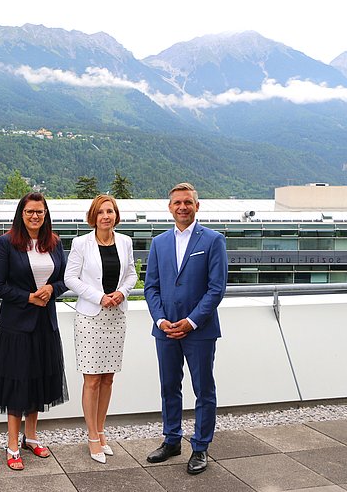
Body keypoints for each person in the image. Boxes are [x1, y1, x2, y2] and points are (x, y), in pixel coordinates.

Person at [143, 182, 227, 475]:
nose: (182, 207)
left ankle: (200, 447)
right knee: (169, 387)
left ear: (196, 206)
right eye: (177, 202)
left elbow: (216, 289)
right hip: (165, 329)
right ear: (170, 208)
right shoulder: (159, 242)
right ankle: (171, 440)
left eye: (187, 202)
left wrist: (191, 321)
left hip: (199, 331)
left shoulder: (213, 240)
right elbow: (150, 286)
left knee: (203, 389)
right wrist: (160, 320)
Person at [0, 192, 69, 471]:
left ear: (46, 214)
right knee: (17, 385)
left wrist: (50, 289)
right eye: (29, 211)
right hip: (17, 327)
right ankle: (12, 445)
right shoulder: (6, 243)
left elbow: (64, 280)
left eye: (40, 211)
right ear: (20, 214)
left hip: (46, 325)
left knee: (38, 382)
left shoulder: (55, 243)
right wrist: (27, 297)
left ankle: (31, 437)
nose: (35, 216)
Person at [64, 195, 137, 464]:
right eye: (101, 212)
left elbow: (132, 274)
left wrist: (121, 292)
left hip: (116, 316)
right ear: (93, 216)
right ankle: (92, 435)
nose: (106, 216)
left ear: (116, 216)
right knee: (92, 379)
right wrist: (99, 297)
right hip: (91, 317)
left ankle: (102, 430)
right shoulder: (81, 243)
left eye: (111, 211)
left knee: (108, 378)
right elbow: (69, 278)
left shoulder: (125, 242)